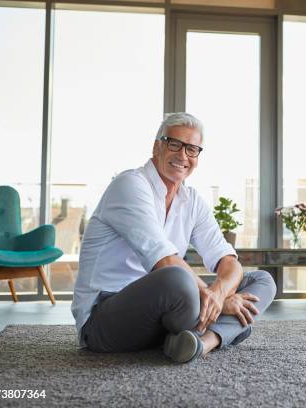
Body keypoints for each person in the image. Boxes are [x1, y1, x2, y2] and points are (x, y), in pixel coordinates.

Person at [71, 112, 276, 363]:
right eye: (175, 144)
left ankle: (202, 343)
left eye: (192, 149)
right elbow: (164, 262)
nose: (183, 155)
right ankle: (226, 330)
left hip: (165, 317)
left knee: (262, 279)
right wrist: (221, 304)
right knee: (176, 278)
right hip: (104, 320)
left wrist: (219, 294)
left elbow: (228, 261)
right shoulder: (130, 185)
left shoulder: (192, 201)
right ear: (157, 146)